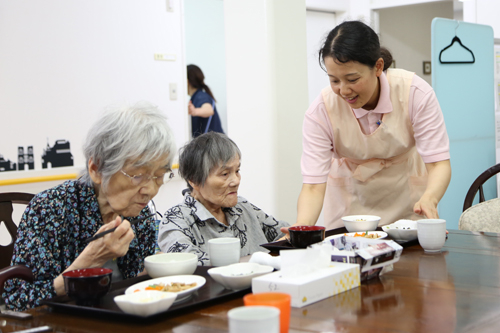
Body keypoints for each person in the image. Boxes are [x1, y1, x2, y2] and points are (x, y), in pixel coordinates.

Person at [2, 102, 176, 311]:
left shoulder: (139, 212)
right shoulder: (50, 209)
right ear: (96, 169)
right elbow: (17, 301)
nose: (150, 189)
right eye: (138, 175)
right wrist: (91, 260)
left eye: (159, 176)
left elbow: (135, 284)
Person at [297, 21, 451, 230]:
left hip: (408, 204)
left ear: (378, 67)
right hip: (349, 208)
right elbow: (313, 186)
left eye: (352, 79)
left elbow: (438, 163)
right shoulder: (321, 111)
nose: (343, 90)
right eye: (334, 80)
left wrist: (430, 198)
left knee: (411, 261)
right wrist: (301, 229)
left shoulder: (414, 93)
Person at [157, 132, 289, 266]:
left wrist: (296, 234)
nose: (236, 181)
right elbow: (189, 264)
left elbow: (281, 233)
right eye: (225, 174)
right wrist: (257, 259)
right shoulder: (175, 219)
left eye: (237, 171)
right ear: (194, 181)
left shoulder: (242, 206)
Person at [187, 64, 224, 138]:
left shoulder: (200, 96)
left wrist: (195, 111)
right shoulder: (196, 97)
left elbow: (209, 110)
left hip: (214, 145)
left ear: (187, 82)